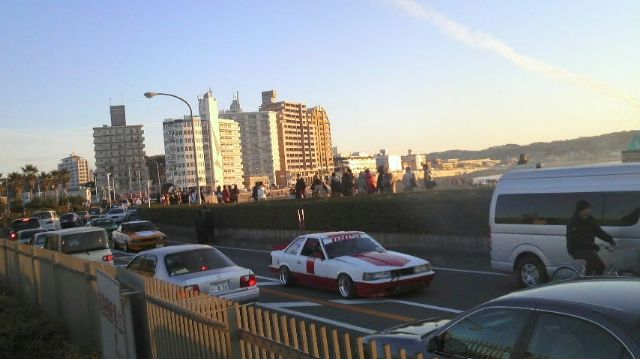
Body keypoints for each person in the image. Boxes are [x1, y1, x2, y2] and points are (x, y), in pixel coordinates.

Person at [566, 200, 616, 276]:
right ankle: (586, 280)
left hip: (588, 247)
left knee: (601, 267)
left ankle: (595, 281)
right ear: (582, 210)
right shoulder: (573, 221)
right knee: (591, 258)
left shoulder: (590, 219)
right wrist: (592, 245)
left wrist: (610, 240)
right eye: (588, 208)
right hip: (576, 248)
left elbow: (599, 231)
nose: (590, 210)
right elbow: (576, 238)